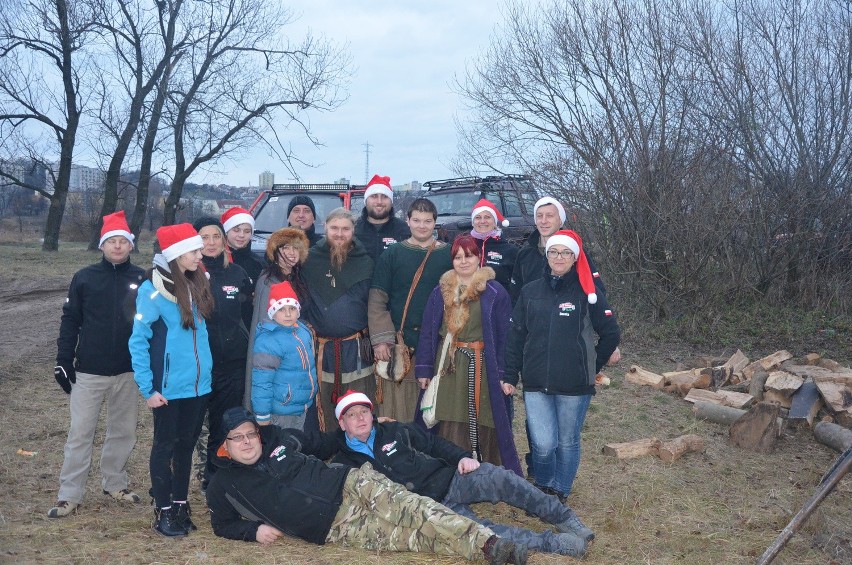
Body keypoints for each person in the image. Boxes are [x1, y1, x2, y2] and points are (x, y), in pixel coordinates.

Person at [207, 406, 527, 565]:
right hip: (333, 528)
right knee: (409, 538)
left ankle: (489, 542)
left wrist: (371, 426)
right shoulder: (223, 483)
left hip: (351, 485)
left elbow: (327, 440)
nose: (247, 442)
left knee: (416, 511)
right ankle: (482, 552)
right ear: (226, 444)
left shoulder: (280, 440)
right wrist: (253, 531)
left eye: (251, 433)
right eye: (238, 437)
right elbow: (222, 524)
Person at [332, 391, 593, 557]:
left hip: (450, 479)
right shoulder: (346, 463)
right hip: (430, 510)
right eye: (352, 415)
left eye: (364, 411)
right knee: (484, 532)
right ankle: (556, 545)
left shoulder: (394, 431)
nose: (360, 418)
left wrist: (462, 457)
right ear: (342, 423)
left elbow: (433, 444)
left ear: (372, 413)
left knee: (500, 478)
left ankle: (564, 517)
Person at [505, 230, 621, 500]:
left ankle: (559, 491)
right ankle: (543, 485)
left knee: (567, 441)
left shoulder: (586, 293)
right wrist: (510, 373)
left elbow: (611, 332)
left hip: (574, 384)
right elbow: (515, 335)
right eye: (554, 252)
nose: (559, 257)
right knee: (543, 444)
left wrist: (591, 365)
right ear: (547, 256)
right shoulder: (530, 291)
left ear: (574, 257)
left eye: (566, 252)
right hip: (535, 380)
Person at [49, 211, 145, 518]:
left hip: (129, 371)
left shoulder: (142, 279)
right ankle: (69, 494)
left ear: (131, 246)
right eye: (111, 242)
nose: (117, 247)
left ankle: (115, 483)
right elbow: (70, 320)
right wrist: (64, 360)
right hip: (89, 370)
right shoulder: (85, 277)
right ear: (102, 246)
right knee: (81, 433)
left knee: (124, 431)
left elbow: (152, 326)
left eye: (123, 242)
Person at [129, 223, 214, 537]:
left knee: (186, 448)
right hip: (166, 390)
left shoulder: (197, 282)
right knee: (164, 448)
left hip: (198, 387)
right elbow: (138, 342)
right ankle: (163, 509)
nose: (199, 254)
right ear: (177, 254)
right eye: (194, 250)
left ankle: (180, 504)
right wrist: (147, 388)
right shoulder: (152, 290)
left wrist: (206, 376)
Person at [415, 235, 522, 474]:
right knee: (448, 412)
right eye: (458, 257)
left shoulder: (495, 292)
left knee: (485, 413)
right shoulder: (440, 292)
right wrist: (424, 368)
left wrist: (506, 375)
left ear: (479, 257)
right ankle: (449, 469)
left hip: (484, 365)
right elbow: (429, 332)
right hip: (449, 364)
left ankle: (486, 470)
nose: (464, 262)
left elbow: (506, 336)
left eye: (469, 256)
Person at [368, 198, 452, 422]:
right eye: (417, 220)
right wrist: (381, 339)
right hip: (401, 341)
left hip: (437, 340)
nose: (422, 226)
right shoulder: (393, 254)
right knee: (400, 406)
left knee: (434, 402)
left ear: (435, 223)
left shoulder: (449, 255)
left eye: (427, 221)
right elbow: (378, 298)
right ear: (408, 221)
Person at [193, 216, 254, 490]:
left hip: (231, 364)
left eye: (216, 236)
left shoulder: (237, 274)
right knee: (193, 425)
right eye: (204, 237)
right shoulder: (186, 274)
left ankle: (216, 477)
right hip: (197, 364)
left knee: (224, 422)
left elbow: (249, 317)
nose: (211, 242)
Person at [301, 208, 375, 431]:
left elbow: (375, 302)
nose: (340, 234)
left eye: (346, 229)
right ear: (325, 227)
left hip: (357, 347)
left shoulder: (366, 261)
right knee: (323, 402)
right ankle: (327, 449)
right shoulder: (309, 259)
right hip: (321, 348)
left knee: (358, 401)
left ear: (354, 230)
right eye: (334, 228)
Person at [244, 227, 313, 425]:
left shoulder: (298, 278)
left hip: (294, 354)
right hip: (275, 357)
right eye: (286, 248)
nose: (291, 253)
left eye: (296, 248)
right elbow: (265, 324)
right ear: (276, 251)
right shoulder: (269, 280)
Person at [251, 281, 317, 430]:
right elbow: (262, 381)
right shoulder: (269, 340)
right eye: (281, 309)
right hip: (281, 410)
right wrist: (262, 414)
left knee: (296, 445)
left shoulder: (302, 331)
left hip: (301, 406)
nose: (288, 314)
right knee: (282, 447)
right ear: (272, 312)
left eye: (292, 308)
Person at [354, 174, 410, 261]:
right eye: (374, 196)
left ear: (391, 201)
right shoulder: (353, 230)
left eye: (385, 197)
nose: (379, 202)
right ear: (366, 200)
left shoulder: (404, 230)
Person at [469, 199, 518, 292]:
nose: (482, 221)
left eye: (487, 217)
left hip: (500, 303)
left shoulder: (510, 251)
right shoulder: (464, 247)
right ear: (473, 222)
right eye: (478, 217)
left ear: (495, 221)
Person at [221, 207, 264, 285]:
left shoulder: (259, 263)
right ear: (226, 231)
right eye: (236, 230)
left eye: (247, 231)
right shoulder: (217, 260)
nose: (241, 235)